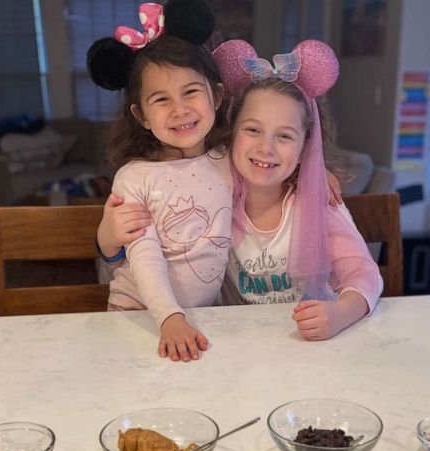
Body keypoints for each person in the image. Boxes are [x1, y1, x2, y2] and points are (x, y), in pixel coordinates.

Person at [101, 39, 382, 341]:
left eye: (285, 136)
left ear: (306, 147)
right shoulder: (218, 187)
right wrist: (106, 240)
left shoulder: (318, 202)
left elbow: (364, 274)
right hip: (232, 343)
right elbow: (137, 252)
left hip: (310, 344)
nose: (266, 148)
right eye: (252, 130)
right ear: (231, 133)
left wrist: (342, 312)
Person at [87, 0, 231, 362]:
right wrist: (170, 318)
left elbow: (271, 166)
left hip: (202, 321)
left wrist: (314, 172)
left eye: (191, 92)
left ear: (215, 94)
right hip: (139, 319)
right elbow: (144, 255)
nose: (179, 109)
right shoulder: (135, 178)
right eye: (161, 99)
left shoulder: (230, 159)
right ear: (142, 115)